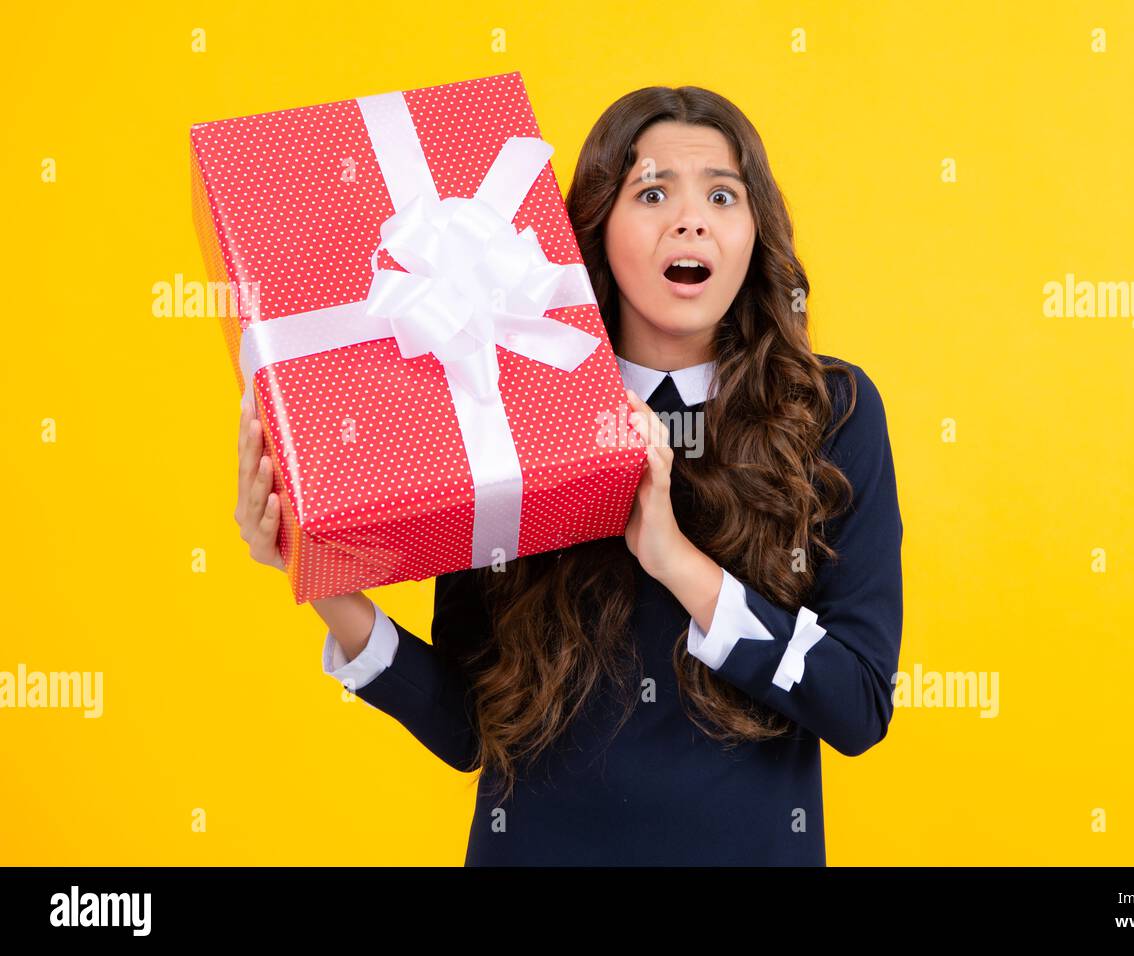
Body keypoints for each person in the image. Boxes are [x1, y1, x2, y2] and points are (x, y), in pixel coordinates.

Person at [234, 84, 904, 866]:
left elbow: (857, 706)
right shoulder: (495, 400)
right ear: (597, 229)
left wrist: (678, 561)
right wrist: (319, 569)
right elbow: (467, 729)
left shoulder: (829, 413)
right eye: (652, 192)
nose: (690, 218)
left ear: (755, 231)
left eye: (722, 194)